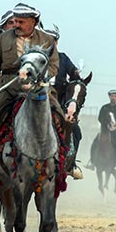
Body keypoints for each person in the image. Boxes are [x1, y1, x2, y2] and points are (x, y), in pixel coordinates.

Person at [0, 3, 61, 159]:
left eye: (21, 22)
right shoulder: (4, 38)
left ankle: (65, 152)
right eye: (15, 21)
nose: (16, 25)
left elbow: (54, 64)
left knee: (60, 114)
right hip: (10, 85)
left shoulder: (47, 40)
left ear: (33, 22)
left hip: (38, 86)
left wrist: (41, 78)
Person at [44, 26, 84, 180]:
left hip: (59, 104)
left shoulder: (63, 58)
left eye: (53, 40)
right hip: (38, 100)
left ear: (57, 42)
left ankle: (71, 164)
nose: (50, 43)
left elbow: (73, 73)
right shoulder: (37, 57)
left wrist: (76, 73)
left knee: (76, 131)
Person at [87, 90, 116, 171]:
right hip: (104, 131)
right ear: (109, 97)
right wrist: (106, 125)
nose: (113, 98)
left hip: (115, 131)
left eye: (115, 96)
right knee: (95, 143)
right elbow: (100, 118)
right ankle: (92, 162)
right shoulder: (104, 108)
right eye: (112, 96)